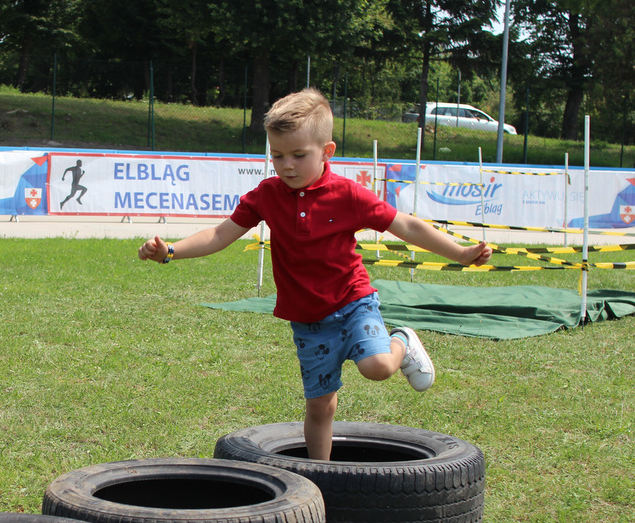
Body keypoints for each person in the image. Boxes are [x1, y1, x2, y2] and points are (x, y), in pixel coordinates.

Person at [138, 88, 492, 461]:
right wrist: (170, 251)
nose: (286, 165)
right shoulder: (267, 195)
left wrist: (462, 253)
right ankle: (320, 477)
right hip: (308, 320)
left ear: (327, 152)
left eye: (298, 155)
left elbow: (406, 226)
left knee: (378, 367)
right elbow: (220, 234)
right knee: (320, 407)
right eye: (276, 155)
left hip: (354, 303)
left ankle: (401, 340)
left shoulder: (349, 195)